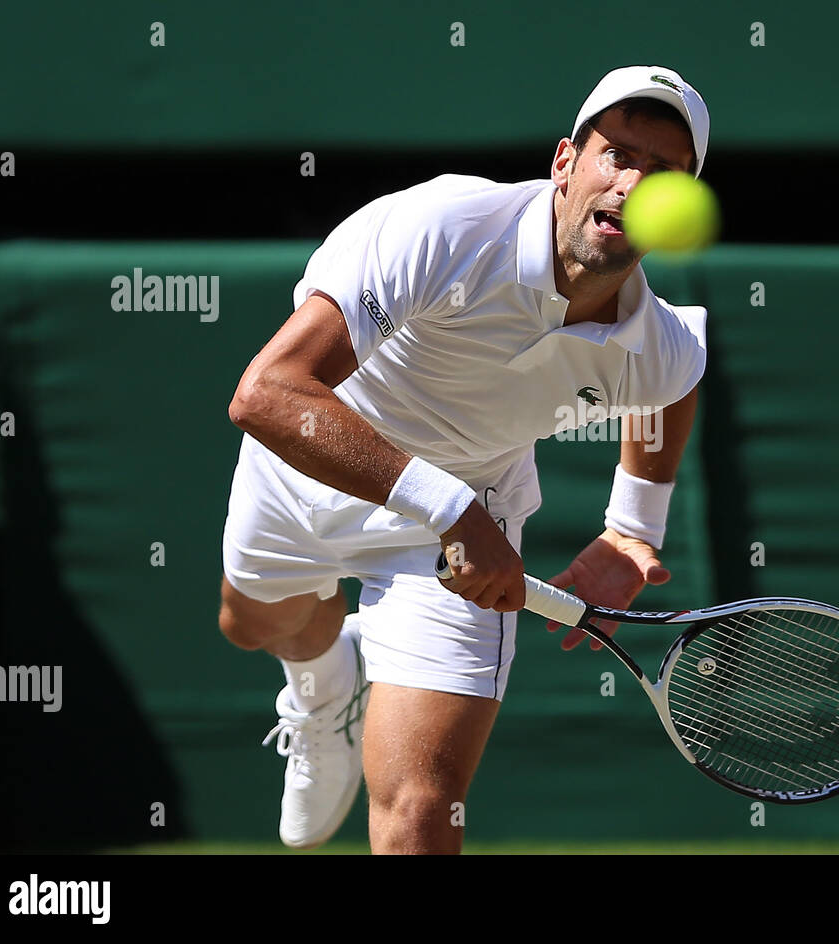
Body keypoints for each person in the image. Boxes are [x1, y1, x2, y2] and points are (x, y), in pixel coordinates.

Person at [217, 65, 710, 854]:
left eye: (663, 172)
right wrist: (450, 509)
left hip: (459, 528)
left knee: (420, 813)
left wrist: (631, 528)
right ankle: (321, 690)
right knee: (250, 626)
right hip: (311, 464)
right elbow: (268, 394)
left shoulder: (656, 347)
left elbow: (676, 384)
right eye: (616, 153)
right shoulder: (440, 229)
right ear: (564, 163)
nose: (631, 182)